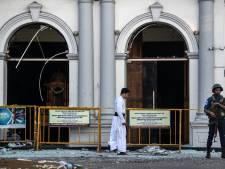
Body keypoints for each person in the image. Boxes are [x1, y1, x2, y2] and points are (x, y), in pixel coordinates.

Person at [204, 84, 225, 159]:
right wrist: (210, 112)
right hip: (212, 120)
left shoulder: (223, 99)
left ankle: (223, 153)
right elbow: (205, 109)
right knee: (210, 136)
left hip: (222, 120)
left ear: (221, 90)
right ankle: (208, 153)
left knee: (223, 137)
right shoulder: (209, 99)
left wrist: (219, 104)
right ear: (213, 90)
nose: (218, 91)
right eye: (216, 90)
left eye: (219, 90)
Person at [108, 88, 130, 155]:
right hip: (119, 118)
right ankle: (121, 150)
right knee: (122, 133)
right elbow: (119, 111)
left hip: (117, 117)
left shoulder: (119, 99)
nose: (128, 96)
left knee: (114, 132)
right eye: (127, 94)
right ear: (124, 93)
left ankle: (112, 146)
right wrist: (123, 120)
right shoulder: (120, 100)